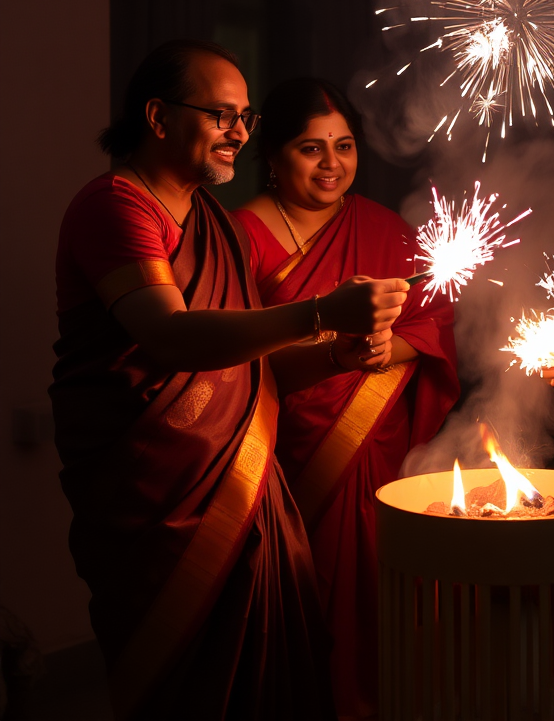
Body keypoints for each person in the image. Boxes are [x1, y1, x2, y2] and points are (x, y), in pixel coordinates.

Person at [51, 41, 410, 721]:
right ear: (158, 117)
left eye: (244, 116)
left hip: (244, 485)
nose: (240, 133)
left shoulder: (214, 222)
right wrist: (320, 313)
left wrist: (340, 354)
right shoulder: (115, 206)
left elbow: (251, 367)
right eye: (221, 115)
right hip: (156, 497)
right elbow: (170, 337)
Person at [234, 77, 459, 720]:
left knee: (379, 600)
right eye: (311, 148)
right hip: (280, 446)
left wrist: (391, 352)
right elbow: (228, 356)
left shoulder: (385, 228)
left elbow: (435, 321)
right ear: (272, 155)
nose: (333, 165)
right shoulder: (239, 236)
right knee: (295, 600)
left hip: (375, 446)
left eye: (345, 146)